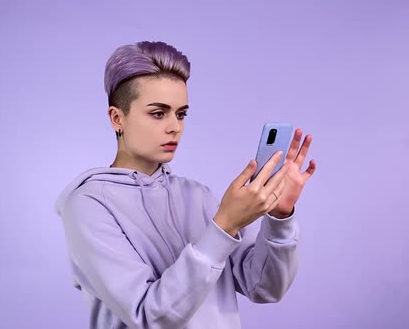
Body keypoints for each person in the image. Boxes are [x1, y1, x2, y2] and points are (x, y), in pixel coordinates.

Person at [54, 40, 316, 329]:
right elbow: (151, 315)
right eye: (158, 113)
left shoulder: (199, 196)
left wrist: (279, 217)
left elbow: (265, 287)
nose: (174, 127)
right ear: (118, 118)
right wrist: (225, 226)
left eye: (181, 114)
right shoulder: (88, 205)